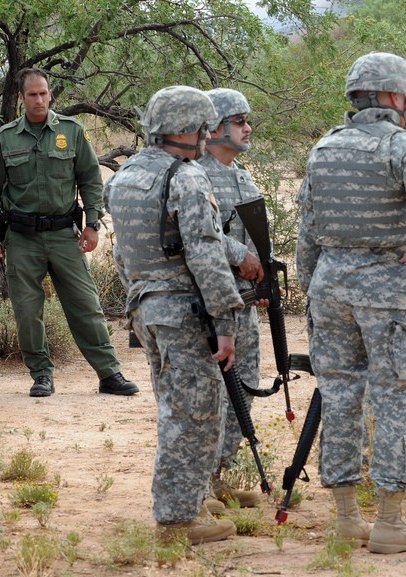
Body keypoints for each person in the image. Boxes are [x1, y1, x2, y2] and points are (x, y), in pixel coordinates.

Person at [296, 52, 406, 554]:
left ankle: (346, 517)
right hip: (387, 288)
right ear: (393, 97)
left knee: (339, 397)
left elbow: (306, 235)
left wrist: (313, 291)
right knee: (399, 395)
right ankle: (390, 521)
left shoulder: (324, 149)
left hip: (330, 285)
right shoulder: (405, 148)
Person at [105, 85, 242, 544]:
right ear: (183, 129)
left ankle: (191, 500)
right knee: (194, 415)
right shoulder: (185, 177)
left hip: (147, 307)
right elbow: (206, 255)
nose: (206, 137)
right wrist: (226, 322)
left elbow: (122, 256)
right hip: (184, 311)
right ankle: (178, 519)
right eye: (202, 128)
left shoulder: (123, 179)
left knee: (174, 407)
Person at [0, 67, 137, 398]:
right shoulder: (5, 138)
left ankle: (109, 374)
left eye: (43, 93)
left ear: (51, 95)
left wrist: (92, 223)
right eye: (32, 94)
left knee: (86, 304)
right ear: (21, 98)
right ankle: (41, 375)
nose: (39, 99)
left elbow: (91, 180)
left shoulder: (72, 131)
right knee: (27, 310)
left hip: (65, 234)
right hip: (22, 238)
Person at [200, 88, 266, 509]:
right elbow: (202, 236)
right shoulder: (196, 174)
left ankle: (220, 475)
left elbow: (256, 238)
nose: (246, 128)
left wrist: (263, 280)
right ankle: (200, 483)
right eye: (238, 120)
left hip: (246, 304)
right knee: (210, 397)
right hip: (213, 304)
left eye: (247, 121)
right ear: (215, 128)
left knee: (245, 388)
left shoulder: (243, 176)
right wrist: (241, 259)